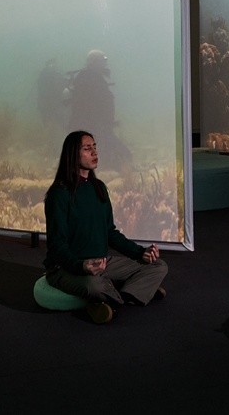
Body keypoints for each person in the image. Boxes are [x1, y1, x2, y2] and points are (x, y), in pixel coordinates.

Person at [43, 130, 167, 324]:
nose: (94, 153)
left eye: (95, 147)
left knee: (158, 266)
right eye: (87, 148)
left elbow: (110, 233)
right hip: (67, 268)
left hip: (102, 263)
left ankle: (117, 298)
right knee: (94, 286)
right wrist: (81, 266)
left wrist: (140, 252)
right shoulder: (59, 194)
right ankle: (130, 293)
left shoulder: (98, 187)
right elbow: (57, 246)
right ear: (72, 154)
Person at [65, 50, 131, 169]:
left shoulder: (89, 76)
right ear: (94, 62)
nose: (104, 64)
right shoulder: (90, 77)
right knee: (111, 148)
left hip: (94, 122)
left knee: (103, 145)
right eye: (102, 61)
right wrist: (104, 121)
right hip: (92, 122)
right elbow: (94, 102)